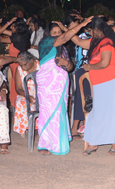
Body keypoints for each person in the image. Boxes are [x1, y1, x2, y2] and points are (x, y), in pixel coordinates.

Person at [69, 17, 115, 156]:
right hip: (98, 81)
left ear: (97, 30)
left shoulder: (107, 42)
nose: (90, 33)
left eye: (91, 30)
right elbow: (79, 42)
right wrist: (66, 31)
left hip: (110, 80)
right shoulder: (94, 42)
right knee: (97, 112)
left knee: (112, 112)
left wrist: (89, 66)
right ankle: (94, 142)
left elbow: (105, 63)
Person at [36, 20, 87, 155]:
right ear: (48, 34)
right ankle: (45, 144)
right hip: (47, 83)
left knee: (59, 111)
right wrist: (81, 25)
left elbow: (70, 67)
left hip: (61, 82)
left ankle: (58, 142)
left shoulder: (63, 49)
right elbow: (64, 37)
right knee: (47, 112)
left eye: (59, 33)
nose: (57, 35)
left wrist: (66, 63)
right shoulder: (45, 43)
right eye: (54, 33)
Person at [0, 18, 30, 108]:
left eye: (12, 26)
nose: (11, 27)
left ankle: (18, 110)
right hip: (14, 66)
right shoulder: (19, 35)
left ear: (17, 27)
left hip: (17, 65)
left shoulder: (18, 38)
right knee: (15, 88)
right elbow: (3, 30)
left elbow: (0, 38)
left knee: (17, 89)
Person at [13, 51, 40, 137]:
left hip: (41, 91)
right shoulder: (19, 69)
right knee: (20, 102)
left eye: (25, 64)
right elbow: (18, 88)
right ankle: (27, 126)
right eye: (21, 65)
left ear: (31, 60)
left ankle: (38, 127)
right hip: (25, 93)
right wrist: (28, 96)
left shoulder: (41, 66)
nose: (23, 67)